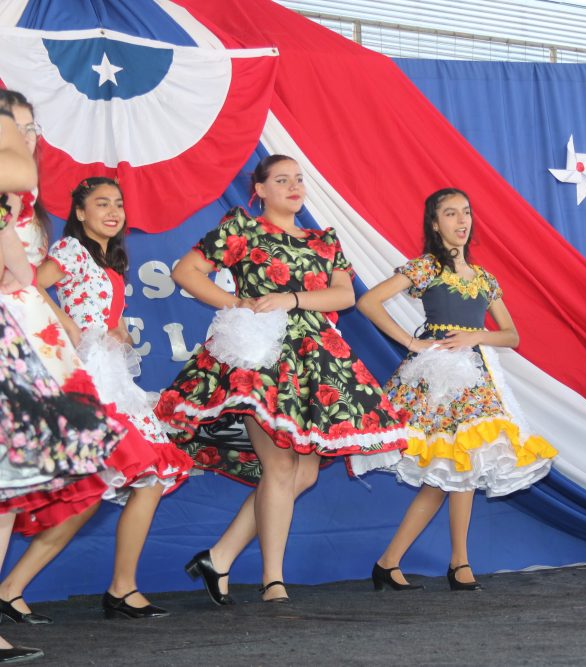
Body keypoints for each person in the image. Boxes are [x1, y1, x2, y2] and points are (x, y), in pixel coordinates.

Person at [156, 154, 407, 604]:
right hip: (263, 356)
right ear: (261, 190)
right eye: (281, 179)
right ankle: (273, 580)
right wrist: (240, 305)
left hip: (315, 362)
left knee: (305, 473)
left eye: (298, 179)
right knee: (281, 467)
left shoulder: (323, 239)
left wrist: (290, 297)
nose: (294, 186)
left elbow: (345, 294)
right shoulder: (242, 229)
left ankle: (219, 556)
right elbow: (185, 271)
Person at [0, 177, 193, 622]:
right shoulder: (70, 250)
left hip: (112, 375)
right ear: (80, 213)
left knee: (151, 477)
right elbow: (30, 284)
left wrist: (117, 327)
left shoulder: (110, 259)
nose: (113, 211)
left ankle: (121, 588)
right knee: (93, 492)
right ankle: (12, 589)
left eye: (118, 204)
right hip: (87, 375)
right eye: (101, 203)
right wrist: (66, 321)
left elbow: (101, 311)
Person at [359, 188, 557, 592]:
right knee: (456, 467)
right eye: (450, 214)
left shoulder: (484, 278)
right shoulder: (428, 268)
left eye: (465, 212)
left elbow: (512, 336)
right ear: (435, 224)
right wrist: (411, 343)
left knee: (453, 470)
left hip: (479, 375)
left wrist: (475, 336)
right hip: (441, 379)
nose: (461, 221)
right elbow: (370, 302)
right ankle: (457, 563)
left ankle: (391, 562)